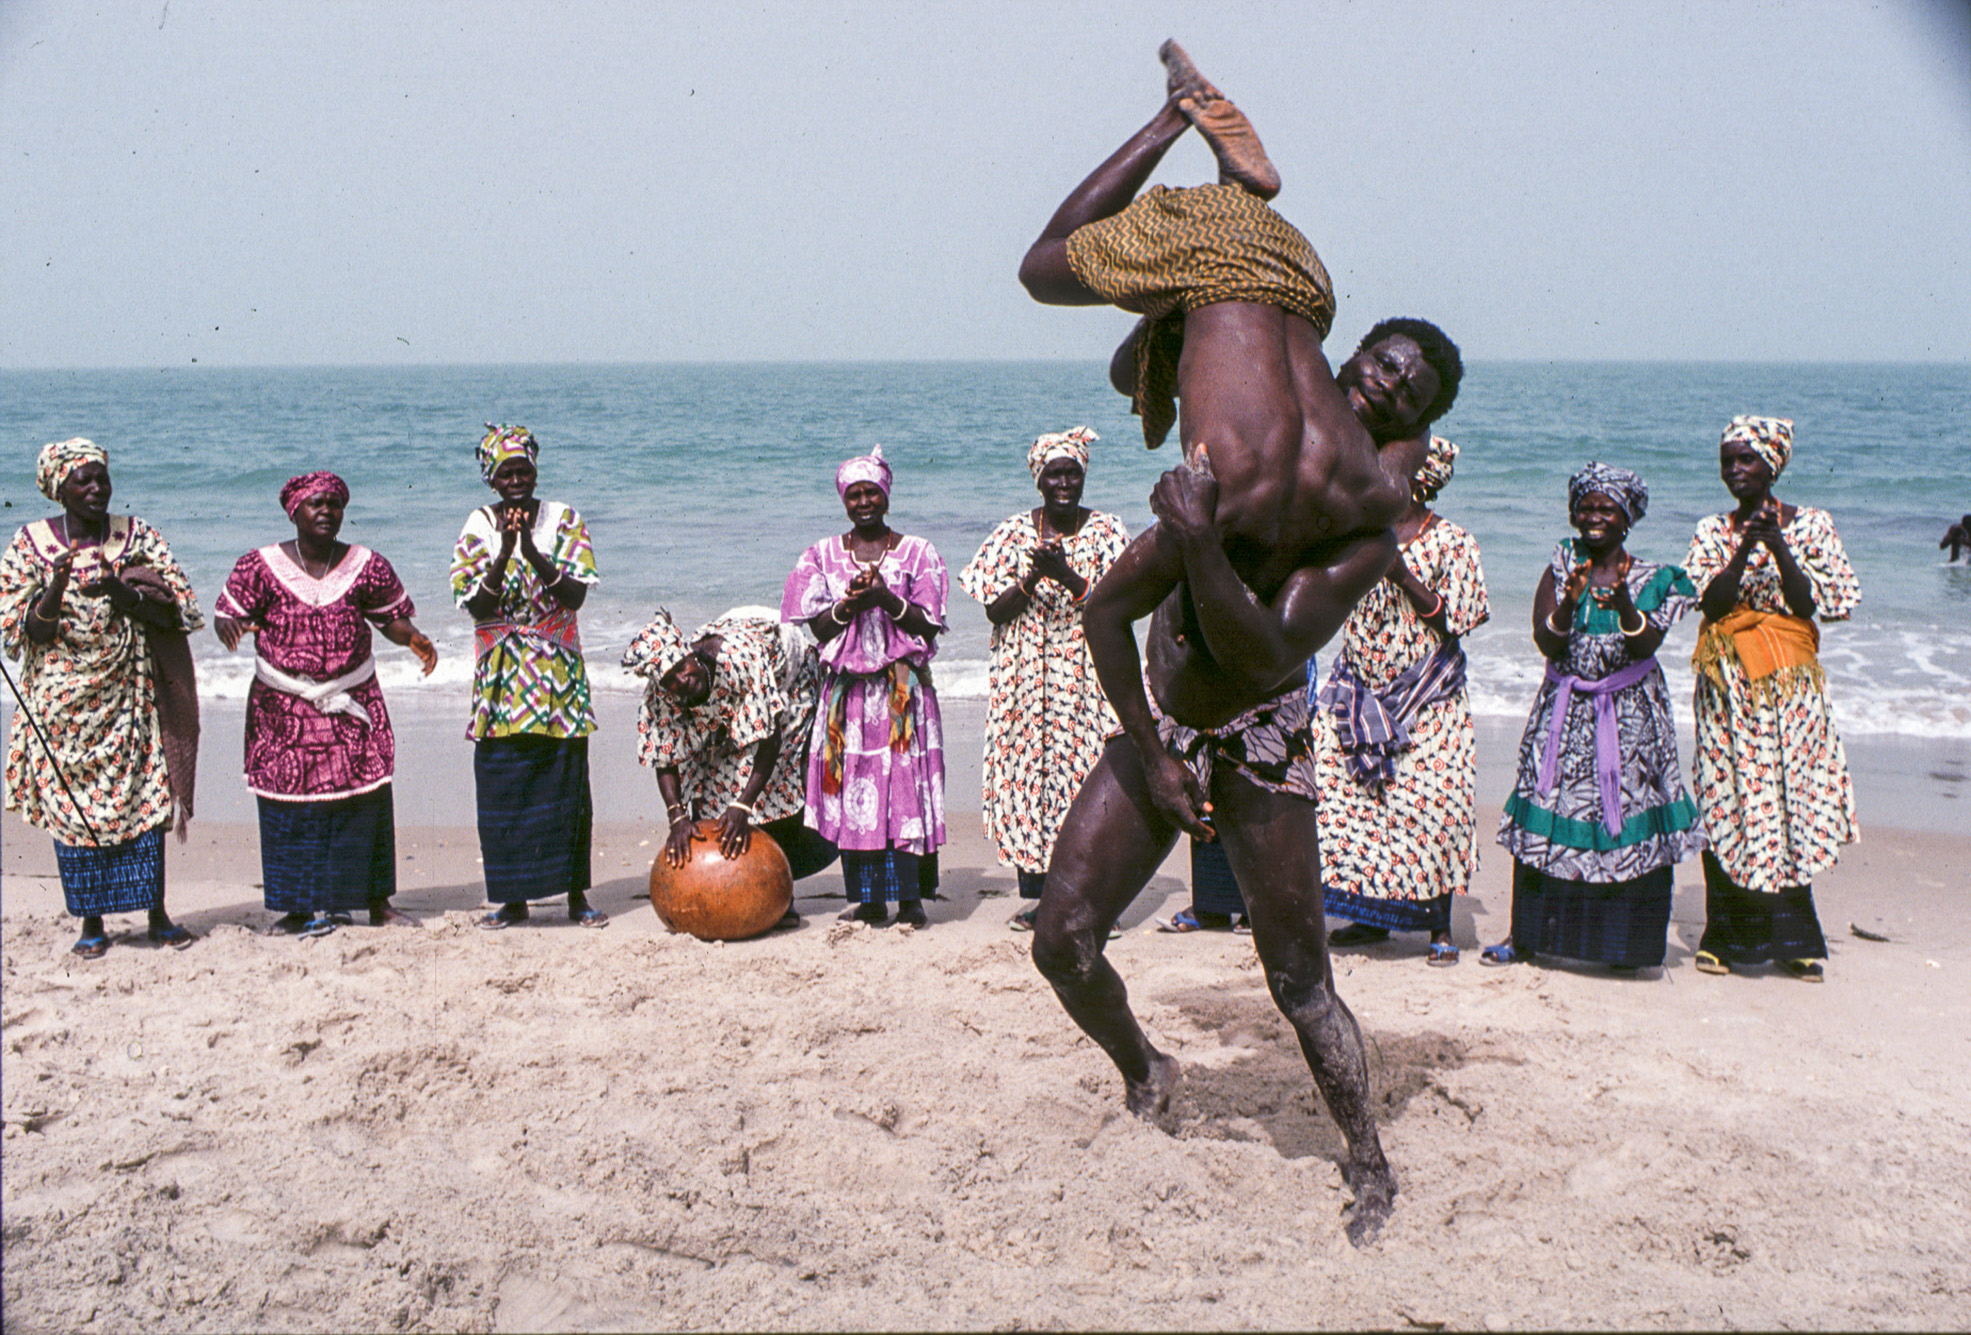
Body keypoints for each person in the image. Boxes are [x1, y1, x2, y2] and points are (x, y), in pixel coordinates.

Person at [1017, 43, 1462, 1246]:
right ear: (1346, 350)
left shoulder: (1359, 517)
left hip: (1260, 731)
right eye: (1382, 359)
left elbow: (1271, 660)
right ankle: (1148, 1073)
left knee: (1298, 978)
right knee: (1063, 939)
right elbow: (1108, 612)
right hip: (1160, 705)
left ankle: (1367, 1160)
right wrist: (1149, 749)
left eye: (1408, 389)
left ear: (1414, 431)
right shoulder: (1262, 430)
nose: (1385, 381)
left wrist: (1202, 543)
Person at [1487, 463, 1702, 971]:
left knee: (1626, 822)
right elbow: (1546, 639)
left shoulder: (1656, 579)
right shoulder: (1562, 564)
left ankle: (1627, 951)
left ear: (1627, 517)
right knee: (1546, 818)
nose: (1594, 517)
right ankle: (1525, 939)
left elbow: (1646, 642)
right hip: (1563, 717)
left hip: (1630, 722)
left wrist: (1624, 598)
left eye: (1606, 508)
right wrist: (1570, 598)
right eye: (1585, 507)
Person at [1, 438, 204, 958]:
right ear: (57, 488)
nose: (96, 488)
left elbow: (180, 612)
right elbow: (22, 632)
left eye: (101, 477)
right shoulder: (29, 545)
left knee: (146, 799)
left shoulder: (138, 537)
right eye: (82, 480)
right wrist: (56, 586)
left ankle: (156, 915)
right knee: (73, 810)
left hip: (130, 695)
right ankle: (91, 923)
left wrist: (120, 592)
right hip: (60, 706)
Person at [214, 472, 437, 937]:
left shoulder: (366, 564)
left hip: (351, 699)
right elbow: (228, 613)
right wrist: (230, 628)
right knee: (287, 804)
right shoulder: (259, 565)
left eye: (334, 504)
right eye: (315, 504)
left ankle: (377, 902)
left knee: (365, 798)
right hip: (283, 707)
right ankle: (296, 908)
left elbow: (390, 618)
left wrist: (413, 638)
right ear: (293, 511)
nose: (326, 512)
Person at [1685, 416, 1859, 981]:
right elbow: (1711, 605)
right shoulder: (1713, 530)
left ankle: (1796, 941)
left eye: (1747, 459)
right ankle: (1724, 939)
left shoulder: (1812, 526)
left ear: (1773, 464)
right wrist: (1743, 550)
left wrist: (1777, 545)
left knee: (1789, 802)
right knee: (1726, 798)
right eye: (1728, 460)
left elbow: (1813, 605)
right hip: (1727, 687)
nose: (1736, 470)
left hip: (1788, 685)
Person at [1316, 435, 1488, 966]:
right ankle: (1369, 919)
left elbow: (1458, 620)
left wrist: (1402, 574)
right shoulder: (1360, 536)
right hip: (1359, 688)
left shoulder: (1456, 542)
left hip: (1427, 695)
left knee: (1433, 806)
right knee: (1351, 803)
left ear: (1421, 479)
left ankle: (1439, 928)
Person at [957, 427, 1129, 931]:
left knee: (1091, 785)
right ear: (1038, 480)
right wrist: (1034, 576)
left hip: (1087, 678)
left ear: (1083, 475)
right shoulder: (1012, 534)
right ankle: (1044, 902)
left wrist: (1071, 578)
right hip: (1023, 682)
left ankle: (1097, 905)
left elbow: (1120, 603)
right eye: (1054, 473)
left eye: (1072, 472)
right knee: (1030, 784)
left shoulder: (1107, 532)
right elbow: (995, 610)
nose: (1064, 482)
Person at [782, 446, 949, 928]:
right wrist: (850, 606)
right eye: (854, 495)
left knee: (905, 791)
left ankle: (911, 900)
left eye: (871, 492)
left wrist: (885, 599)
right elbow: (811, 628)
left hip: (900, 691)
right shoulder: (820, 555)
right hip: (847, 697)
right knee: (855, 795)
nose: (863, 502)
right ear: (843, 500)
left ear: (886, 495)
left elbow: (929, 625)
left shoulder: (920, 552)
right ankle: (869, 899)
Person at [450, 424, 606, 931]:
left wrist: (532, 551)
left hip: (557, 671)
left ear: (535, 472)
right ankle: (512, 899)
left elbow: (576, 596)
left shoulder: (564, 519)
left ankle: (577, 897)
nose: (516, 480)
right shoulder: (477, 526)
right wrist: (503, 553)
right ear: (491, 481)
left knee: (564, 781)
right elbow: (477, 604)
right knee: (503, 783)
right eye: (505, 473)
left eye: (524, 470)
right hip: (501, 675)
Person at [623, 605, 839, 920]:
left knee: (773, 781)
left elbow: (769, 739)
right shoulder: (661, 695)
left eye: (683, 667)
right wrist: (677, 817)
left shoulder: (741, 662)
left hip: (786, 671)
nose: (682, 679)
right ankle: (724, 885)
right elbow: (665, 755)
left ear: (690, 657)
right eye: (670, 679)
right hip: (731, 676)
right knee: (708, 777)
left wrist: (743, 806)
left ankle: (780, 889)